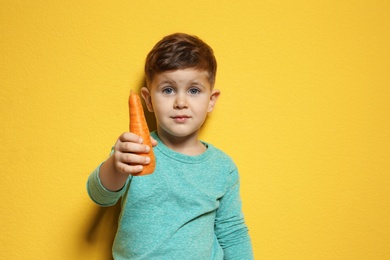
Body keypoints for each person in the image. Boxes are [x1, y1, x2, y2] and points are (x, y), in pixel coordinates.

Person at [87, 33, 254, 259]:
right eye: (168, 90)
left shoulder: (223, 167)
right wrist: (116, 166)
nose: (181, 103)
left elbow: (232, 234)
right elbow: (101, 196)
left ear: (211, 100)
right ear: (148, 100)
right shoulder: (135, 151)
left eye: (194, 90)